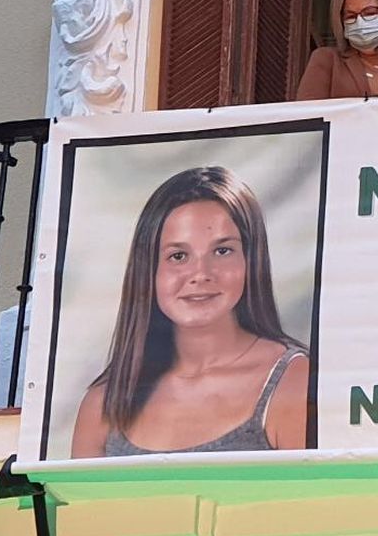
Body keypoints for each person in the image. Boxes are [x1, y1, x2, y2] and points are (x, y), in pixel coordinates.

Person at [70, 166, 309, 458]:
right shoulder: (102, 403)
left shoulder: (294, 379)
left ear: (250, 259)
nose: (200, 274)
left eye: (222, 251)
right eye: (178, 256)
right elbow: (82, 505)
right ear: (148, 270)